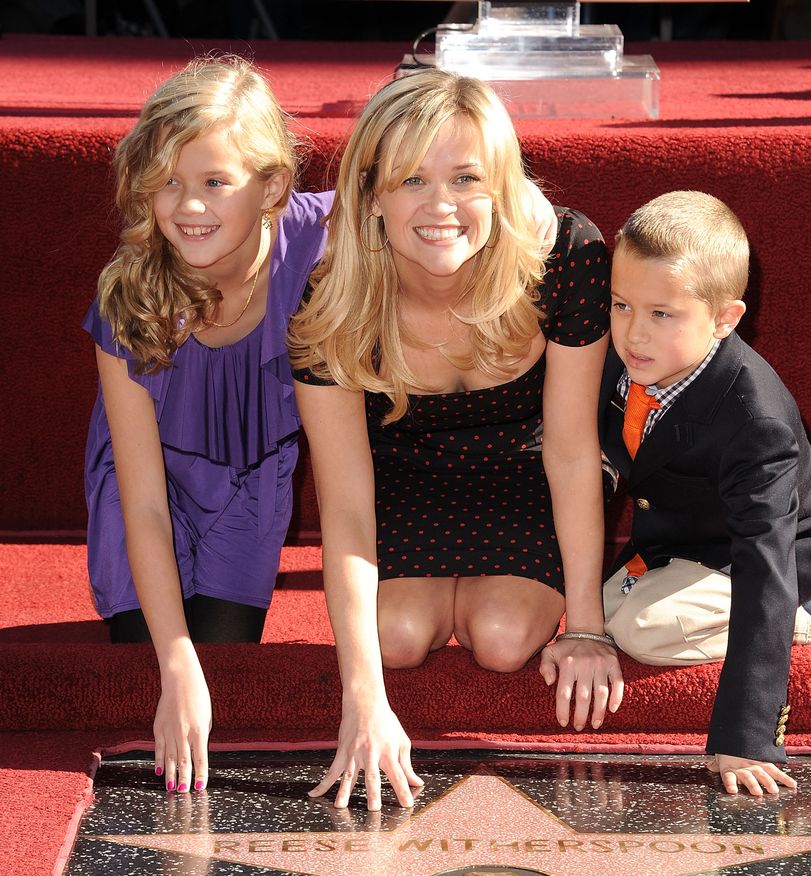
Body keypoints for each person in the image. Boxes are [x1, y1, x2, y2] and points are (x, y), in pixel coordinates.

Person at [289, 69, 622, 812]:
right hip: (405, 472)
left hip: (531, 464)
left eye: (466, 177)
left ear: (501, 184)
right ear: (371, 194)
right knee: (396, 639)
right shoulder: (330, 300)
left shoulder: (568, 255)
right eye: (411, 179)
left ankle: (492, 600)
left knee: (505, 639)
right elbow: (343, 505)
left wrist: (590, 628)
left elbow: (572, 448)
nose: (441, 206)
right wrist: (362, 698)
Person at [84, 56, 331, 794]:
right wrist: (175, 659)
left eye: (215, 182)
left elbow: (424, 188)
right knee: (158, 668)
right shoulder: (130, 295)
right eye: (167, 183)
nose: (187, 206)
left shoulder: (320, 239)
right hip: (145, 488)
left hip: (253, 487)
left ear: (274, 186)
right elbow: (145, 504)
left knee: (227, 669)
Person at [596, 190, 811, 797]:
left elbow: (764, 557)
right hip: (687, 538)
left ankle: (808, 612)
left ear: (724, 319)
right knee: (597, 609)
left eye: (663, 314)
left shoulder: (752, 416)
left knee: (641, 629)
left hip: (781, 547)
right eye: (621, 304)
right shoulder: (621, 357)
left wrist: (747, 734)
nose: (634, 332)